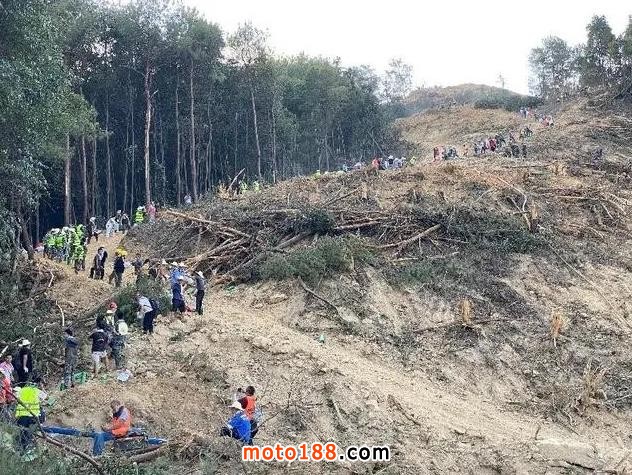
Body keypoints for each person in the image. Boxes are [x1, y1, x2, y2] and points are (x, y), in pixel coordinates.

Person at [14, 377, 46, 453]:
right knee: (29, 434)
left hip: (21, 415)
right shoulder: (37, 391)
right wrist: (42, 388)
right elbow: (45, 397)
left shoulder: (22, 390)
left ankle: (18, 449)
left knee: (22, 432)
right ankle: (25, 449)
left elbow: (15, 397)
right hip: (33, 416)